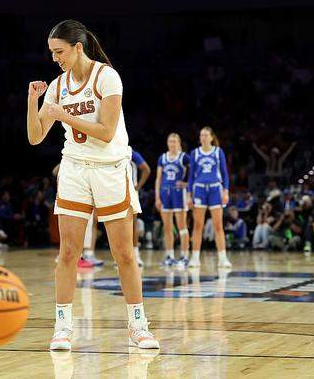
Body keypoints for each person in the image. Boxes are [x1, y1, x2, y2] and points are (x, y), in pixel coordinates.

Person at [26, 19, 158, 351]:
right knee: (68, 252)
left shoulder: (107, 77)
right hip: (74, 169)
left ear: (78, 48)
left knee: (124, 254)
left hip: (110, 169)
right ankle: (63, 326)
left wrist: (63, 115)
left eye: (59, 52)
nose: (55, 58)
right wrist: (33, 101)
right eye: (51, 53)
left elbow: (107, 131)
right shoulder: (56, 87)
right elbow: (35, 136)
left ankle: (138, 324)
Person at [186, 127, 232, 268]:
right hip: (199, 189)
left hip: (215, 189)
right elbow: (191, 175)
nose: (203, 137)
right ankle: (195, 258)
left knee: (218, 225)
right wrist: (189, 194)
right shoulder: (195, 153)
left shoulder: (218, 152)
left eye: (206, 135)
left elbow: (224, 173)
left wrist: (226, 191)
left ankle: (223, 258)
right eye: (201, 135)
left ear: (212, 137)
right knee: (198, 225)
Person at [154, 133, 191, 268]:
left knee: (182, 226)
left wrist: (187, 185)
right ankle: (169, 256)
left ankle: (184, 256)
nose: (172, 144)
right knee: (167, 227)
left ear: (179, 143)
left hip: (178, 193)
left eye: (174, 141)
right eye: (170, 141)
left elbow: (195, 173)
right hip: (165, 193)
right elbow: (158, 179)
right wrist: (157, 196)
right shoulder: (162, 158)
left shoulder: (184, 157)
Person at [130, 148, 151, 267]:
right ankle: (120, 257)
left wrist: (137, 187)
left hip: (131, 191)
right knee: (115, 224)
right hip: (115, 191)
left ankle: (136, 255)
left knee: (133, 223)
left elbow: (146, 170)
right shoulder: (110, 151)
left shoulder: (131, 153)